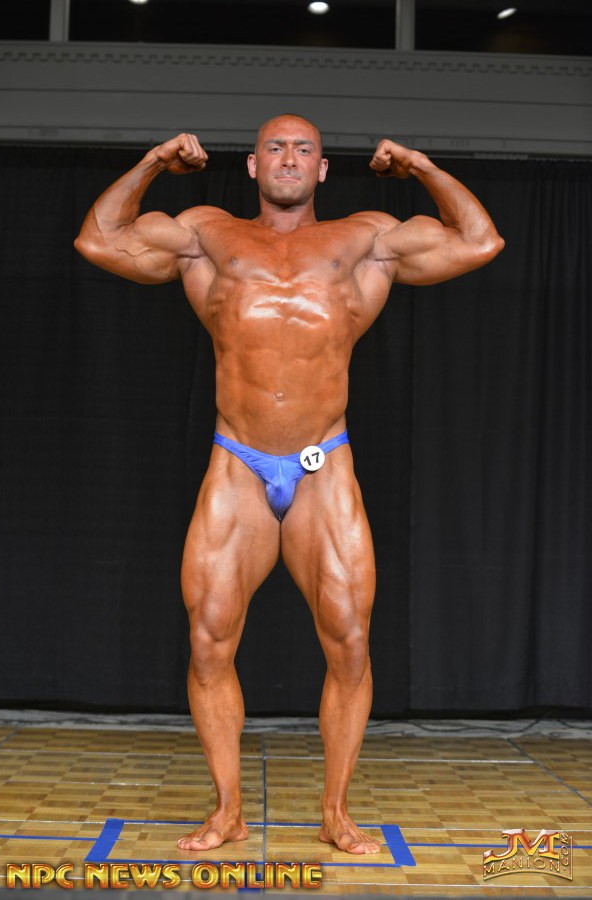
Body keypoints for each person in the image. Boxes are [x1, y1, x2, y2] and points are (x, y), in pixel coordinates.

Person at [74, 114, 504, 855]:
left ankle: (336, 811)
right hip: (237, 464)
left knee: (351, 642)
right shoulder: (207, 234)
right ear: (252, 165)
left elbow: (479, 240)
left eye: (304, 149)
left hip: (322, 464)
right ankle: (228, 811)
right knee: (209, 640)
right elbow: (99, 238)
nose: (289, 158)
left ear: (322, 169)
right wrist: (154, 161)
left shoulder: (363, 240)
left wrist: (420, 165)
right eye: (274, 147)